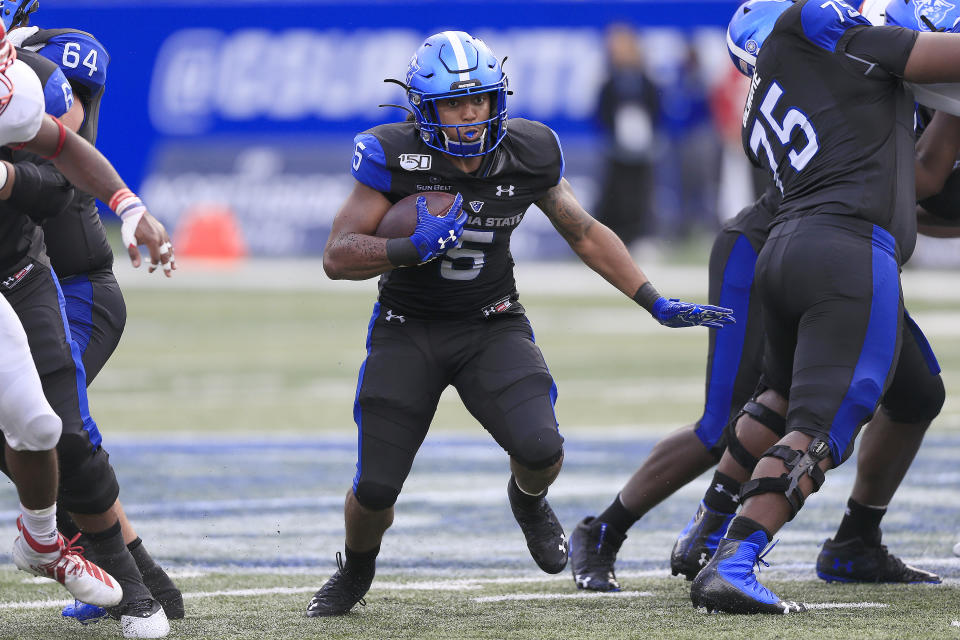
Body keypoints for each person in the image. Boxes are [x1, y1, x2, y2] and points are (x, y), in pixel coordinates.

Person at [311, 30, 735, 617]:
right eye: (454, 103)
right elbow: (337, 255)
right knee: (376, 489)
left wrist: (652, 299)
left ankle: (528, 500)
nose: (469, 114)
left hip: (492, 323)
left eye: (479, 100)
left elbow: (583, 230)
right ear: (424, 108)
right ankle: (356, 569)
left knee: (541, 448)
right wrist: (411, 247)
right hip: (408, 325)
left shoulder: (528, 150)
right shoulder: (392, 153)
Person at [689, 0, 960, 614]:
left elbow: (918, 168)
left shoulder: (770, 99)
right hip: (846, 252)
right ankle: (735, 557)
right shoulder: (820, 25)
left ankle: (709, 525)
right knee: (825, 421)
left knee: (778, 396)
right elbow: (934, 59)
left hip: (788, 248)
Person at [3, 3, 183, 624]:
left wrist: (130, 207)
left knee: (56, 430)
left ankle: (130, 579)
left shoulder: (35, 75)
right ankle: (131, 573)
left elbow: (63, 158)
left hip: (60, 283)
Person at [592, 23, 660, 249]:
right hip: (616, 149)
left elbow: (657, 107)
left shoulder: (645, 81)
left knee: (640, 192)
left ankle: (639, 235)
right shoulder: (609, 82)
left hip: (642, 149)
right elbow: (600, 110)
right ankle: (611, 236)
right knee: (615, 191)